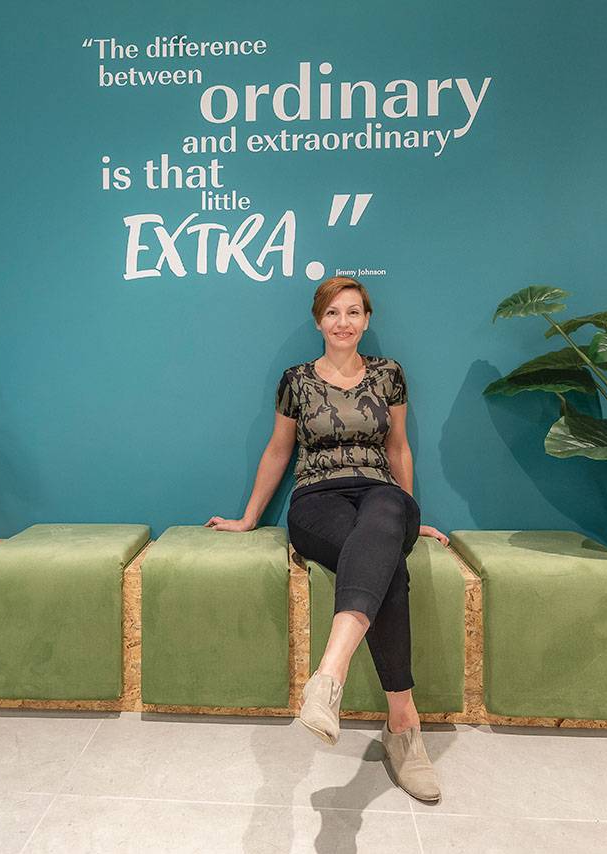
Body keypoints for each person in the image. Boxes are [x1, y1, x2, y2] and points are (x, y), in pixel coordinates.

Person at [205, 276, 448, 803]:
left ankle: (328, 677)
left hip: (381, 495)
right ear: (319, 321)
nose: (343, 322)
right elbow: (278, 450)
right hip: (317, 500)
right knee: (388, 567)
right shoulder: (295, 380)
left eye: (353, 312)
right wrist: (249, 518)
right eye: (333, 312)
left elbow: (398, 448)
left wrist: (410, 516)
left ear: (367, 320)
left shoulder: (389, 374)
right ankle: (403, 726)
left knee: (388, 512)